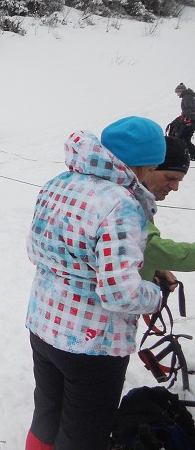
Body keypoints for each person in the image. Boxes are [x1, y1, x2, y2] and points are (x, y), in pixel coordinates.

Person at [25, 116, 165, 450]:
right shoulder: (121, 203)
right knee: (83, 436)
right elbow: (120, 292)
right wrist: (155, 296)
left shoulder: (58, 182)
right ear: (142, 165)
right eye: (153, 167)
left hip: (44, 325)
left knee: (46, 418)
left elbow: (34, 250)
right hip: (93, 343)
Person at [141, 136, 194, 281]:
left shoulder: (141, 198)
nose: (175, 187)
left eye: (179, 180)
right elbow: (146, 248)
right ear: (147, 168)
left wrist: (153, 269)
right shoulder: (120, 199)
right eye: (170, 178)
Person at [172, 82, 195, 158]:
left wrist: (187, 118)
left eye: (177, 92)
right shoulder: (189, 96)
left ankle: (183, 154)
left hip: (189, 121)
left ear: (181, 91)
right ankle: (192, 154)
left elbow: (189, 108)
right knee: (186, 139)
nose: (177, 94)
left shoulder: (187, 97)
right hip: (191, 120)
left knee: (182, 138)